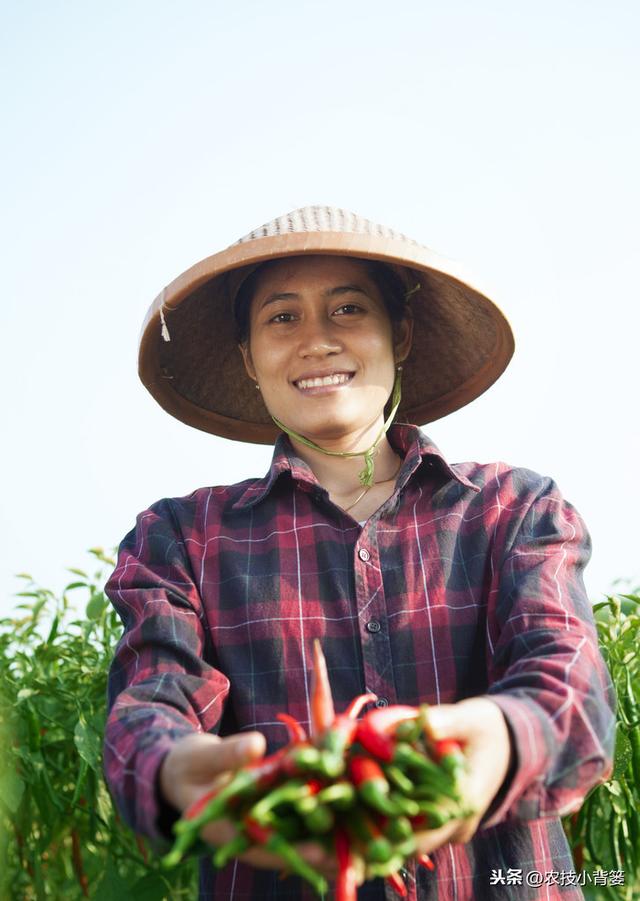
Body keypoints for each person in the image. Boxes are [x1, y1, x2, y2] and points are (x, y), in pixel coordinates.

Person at [103, 207, 615, 900]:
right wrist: (175, 766)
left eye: (348, 308)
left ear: (398, 335)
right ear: (249, 358)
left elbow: (572, 692)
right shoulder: (182, 539)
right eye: (282, 318)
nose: (316, 340)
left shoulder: (512, 510)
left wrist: (498, 737)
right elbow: (149, 703)